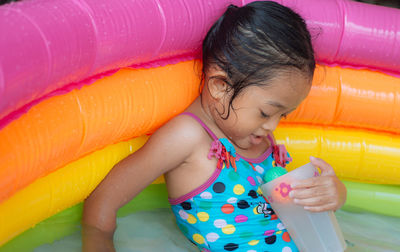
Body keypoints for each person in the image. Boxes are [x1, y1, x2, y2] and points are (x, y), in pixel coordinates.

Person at [81, 1, 347, 251]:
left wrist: (332, 194)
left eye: (284, 115)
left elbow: (293, 214)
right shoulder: (187, 137)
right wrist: (98, 241)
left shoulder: (255, 133)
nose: (273, 126)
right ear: (220, 87)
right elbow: (102, 204)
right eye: (266, 112)